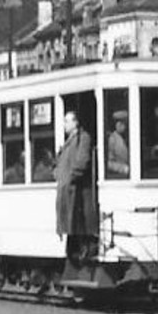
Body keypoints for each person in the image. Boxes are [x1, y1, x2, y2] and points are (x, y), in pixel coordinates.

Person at [54, 110, 99, 261]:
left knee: (79, 221)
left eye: (67, 121)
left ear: (75, 123)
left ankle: (84, 248)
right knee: (70, 220)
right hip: (69, 188)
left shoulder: (83, 138)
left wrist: (68, 178)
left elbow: (81, 162)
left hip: (78, 189)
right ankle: (75, 251)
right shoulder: (69, 140)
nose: (64, 125)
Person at [105, 112, 130, 179]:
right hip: (119, 178)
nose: (119, 125)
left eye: (123, 123)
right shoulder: (113, 139)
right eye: (118, 123)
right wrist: (124, 169)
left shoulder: (131, 138)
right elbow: (109, 164)